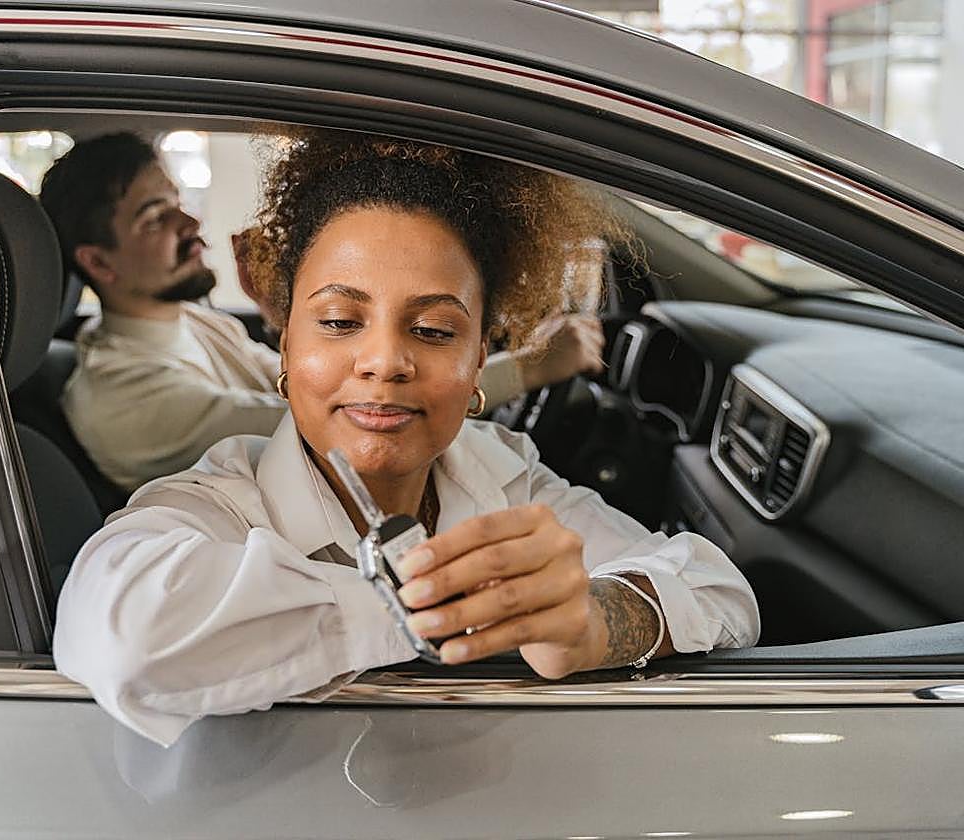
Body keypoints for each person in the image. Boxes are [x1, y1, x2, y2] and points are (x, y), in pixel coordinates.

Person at [53, 131, 760, 747]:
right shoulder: (217, 502)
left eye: (432, 330)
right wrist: (448, 611)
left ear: (480, 355)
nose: (385, 361)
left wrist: (594, 617)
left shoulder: (501, 471)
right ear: (285, 344)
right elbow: (124, 633)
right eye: (337, 322)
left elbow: (723, 592)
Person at [39, 132, 607, 492]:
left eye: (180, 204)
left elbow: (290, 383)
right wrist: (529, 368)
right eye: (155, 217)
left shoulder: (195, 324)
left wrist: (284, 314)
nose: (189, 226)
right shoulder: (124, 399)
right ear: (100, 263)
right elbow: (327, 422)